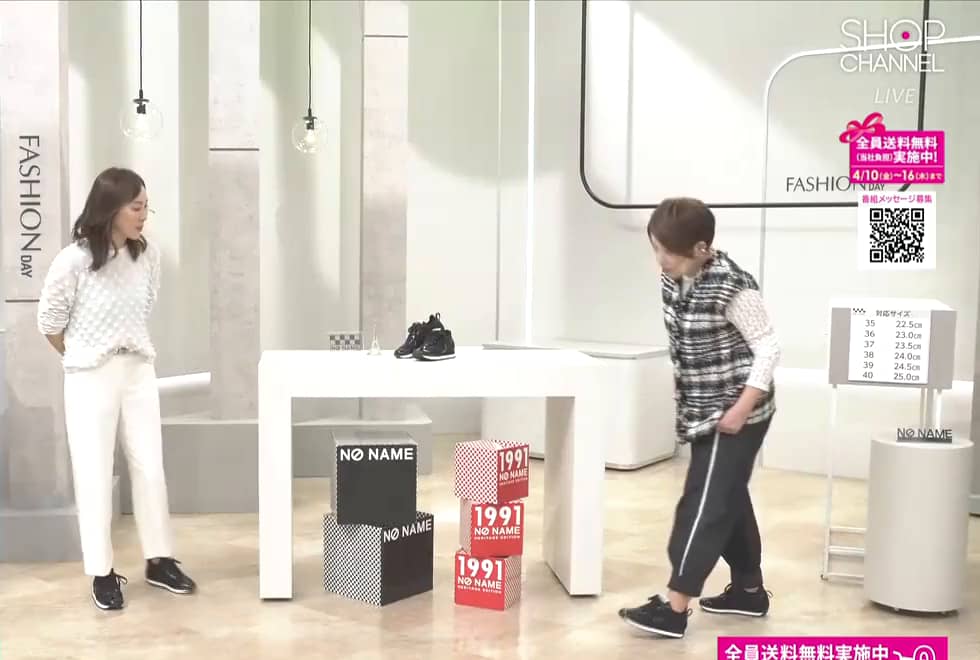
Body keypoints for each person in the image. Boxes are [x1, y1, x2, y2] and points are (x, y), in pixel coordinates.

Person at [618, 197, 779, 639]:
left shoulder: (733, 287)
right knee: (726, 495)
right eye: (656, 248)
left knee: (704, 502)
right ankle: (748, 591)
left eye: (667, 251)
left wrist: (741, 407)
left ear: (701, 248)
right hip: (703, 410)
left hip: (738, 410)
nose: (660, 260)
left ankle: (674, 607)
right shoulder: (675, 278)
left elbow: (768, 347)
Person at [37, 167, 196, 611]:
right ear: (111, 209)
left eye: (146, 207)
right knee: (93, 473)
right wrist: (83, 355)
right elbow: (49, 323)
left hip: (138, 369)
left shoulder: (148, 256)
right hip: (90, 374)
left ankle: (159, 560)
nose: (144, 215)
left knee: (150, 467)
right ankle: (102, 572)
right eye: (136, 207)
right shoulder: (73, 260)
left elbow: (144, 307)